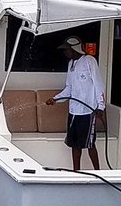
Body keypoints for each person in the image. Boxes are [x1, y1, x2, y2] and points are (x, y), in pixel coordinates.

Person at [45, 36, 106, 170]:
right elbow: (69, 88)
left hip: (88, 111)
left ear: (74, 49)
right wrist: (55, 99)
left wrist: (100, 107)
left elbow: (99, 85)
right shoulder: (70, 64)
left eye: (67, 50)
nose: (65, 52)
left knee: (90, 144)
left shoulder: (89, 61)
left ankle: (99, 173)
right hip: (73, 112)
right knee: (75, 145)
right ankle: (76, 172)